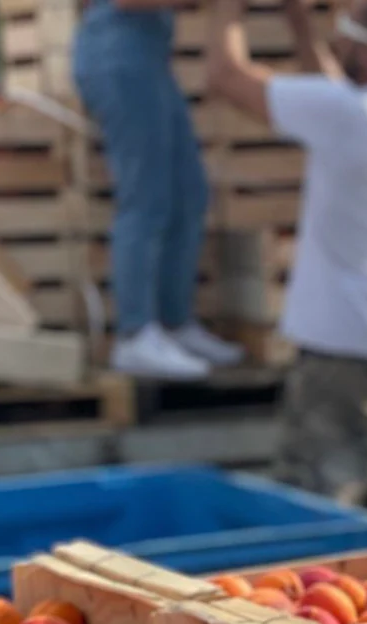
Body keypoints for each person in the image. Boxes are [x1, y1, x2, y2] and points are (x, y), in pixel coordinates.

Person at [209, 0, 367, 522]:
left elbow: (227, 76)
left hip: (342, 361)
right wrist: (298, 22)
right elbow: (336, 87)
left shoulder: (345, 116)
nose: (336, 43)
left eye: (345, 35)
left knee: (312, 525)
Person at [73, 0, 244, 379]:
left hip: (148, 57)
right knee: (146, 197)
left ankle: (174, 323)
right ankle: (135, 335)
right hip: (119, 53)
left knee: (190, 193)